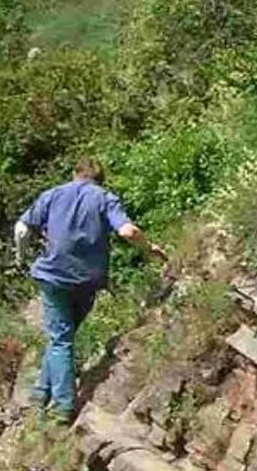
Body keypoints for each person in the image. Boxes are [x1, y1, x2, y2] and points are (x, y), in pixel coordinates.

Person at [15, 158, 167, 423]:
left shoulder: (52, 194)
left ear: (75, 174)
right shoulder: (105, 198)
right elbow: (128, 231)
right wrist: (149, 248)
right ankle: (44, 396)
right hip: (87, 281)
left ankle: (60, 405)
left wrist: (21, 257)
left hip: (52, 276)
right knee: (62, 336)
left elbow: (21, 228)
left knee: (60, 338)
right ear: (100, 179)